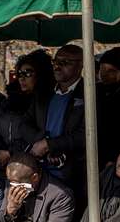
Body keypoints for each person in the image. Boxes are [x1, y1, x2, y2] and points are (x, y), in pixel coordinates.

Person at [28, 45, 86, 197]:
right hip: (39, 169)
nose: (58, 67)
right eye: (56, 62)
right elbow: (25, 123)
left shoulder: (90, 93)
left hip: (73, 174)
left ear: (81, 64)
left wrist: (50, 144)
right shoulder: (43, 92)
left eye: (65, 62)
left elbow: (87, 134)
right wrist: (41, 142)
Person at [0, 50, 51, 169]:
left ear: (41, 74)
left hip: (32, 163)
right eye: (20, 74)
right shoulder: (9, 101)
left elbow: (40, 135)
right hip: (2, 161)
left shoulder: (46, 102)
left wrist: (11, 153)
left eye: (28, 73)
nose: (22, 78)